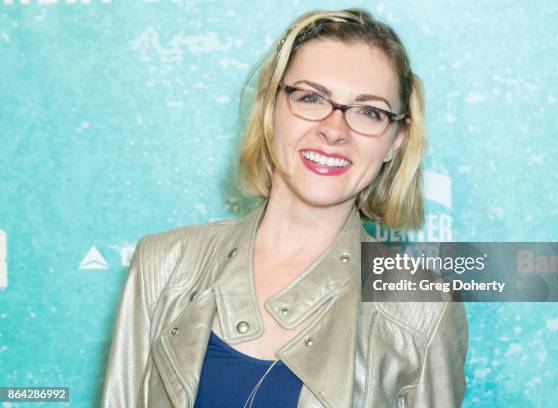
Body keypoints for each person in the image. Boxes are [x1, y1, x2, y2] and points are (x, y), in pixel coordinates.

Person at [101, 7, 468, 408]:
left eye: (369, 111)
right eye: (311, 98)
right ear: (270, 108)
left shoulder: (421, 306)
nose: (333, 130)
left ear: (396, 140)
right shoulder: (163, 265)